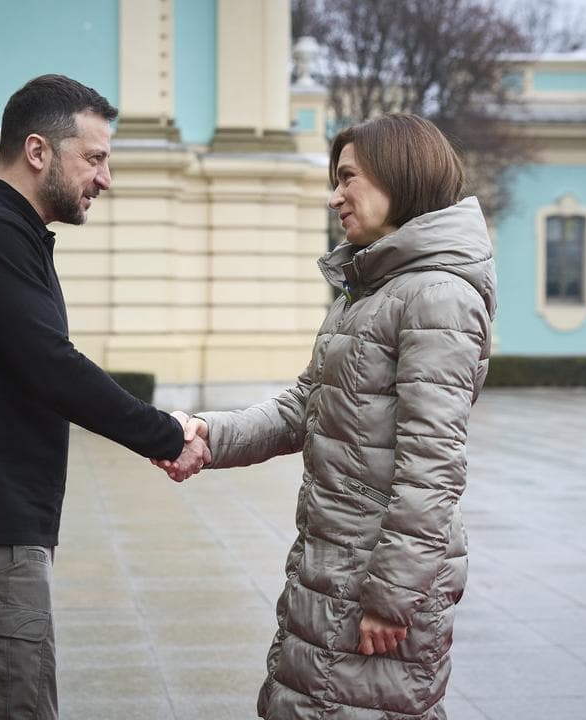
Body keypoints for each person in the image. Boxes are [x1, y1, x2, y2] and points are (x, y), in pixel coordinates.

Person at [161, 113, 497, 719]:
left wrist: (391, 597)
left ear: (401, 177)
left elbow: (433, 469)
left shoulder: (435, 296)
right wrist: (213, 436)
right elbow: (305, 404)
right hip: (336, 564)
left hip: (374, 579)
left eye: (348, 178)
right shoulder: (374, 287)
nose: (333, 195)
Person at [0, 74, 208, 720]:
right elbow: (52, 366)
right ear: (38, 151)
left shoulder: (4, 230)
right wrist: (167, 434)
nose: (106, 178)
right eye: (95, 158)